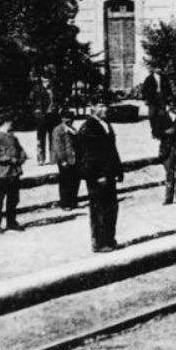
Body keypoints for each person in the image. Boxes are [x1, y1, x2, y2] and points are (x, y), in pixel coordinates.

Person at [77, 100, 124, 252]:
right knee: (99, 209)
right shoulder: (89, 127)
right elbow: (88, 155)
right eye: (101, 106)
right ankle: (99, 242)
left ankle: (109, 239)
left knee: (111, 207)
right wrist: (99, 175)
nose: (105, 109)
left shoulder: (106, 125)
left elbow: (112, 150)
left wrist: (118, 170)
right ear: (92, 108)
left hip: (109, 174)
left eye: (106, 106)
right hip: (97, 176)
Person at [0, 110, 28, 233]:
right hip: (1, 173)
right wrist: (10, 159)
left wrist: (21, 158)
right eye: (11, 123)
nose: (13, 125)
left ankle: (11, 222)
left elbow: (21, 150)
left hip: (13, 172)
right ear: (5, 122)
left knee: (13, 199)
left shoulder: (12, 137)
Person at [50, 109, 80, 210]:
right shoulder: (58, 130)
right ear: (62, 119)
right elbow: (57, 146)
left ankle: (73, 201)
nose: (69, 121)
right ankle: (65, 203)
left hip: (74, 158)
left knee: (75, 180)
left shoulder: (73, 129)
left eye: (71, 119)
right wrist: (62, 160)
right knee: (65, 181)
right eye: (66, 118)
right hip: (65, 160)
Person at [29, 75, 58, 165]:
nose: (47, 83)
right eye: (45, 81)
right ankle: (41, 158)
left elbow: (58, 100)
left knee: (53, 138)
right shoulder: (37, 90)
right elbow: (31, 101)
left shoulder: (54, 90)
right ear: (41, 80)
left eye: (48, 80)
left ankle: (53, 158)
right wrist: (36, 111)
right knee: (40, 139)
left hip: (52, 117)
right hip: (41, 117)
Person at [141, 66, 174, 140]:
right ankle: (154, 133)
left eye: (160, 68)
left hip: (162, 99)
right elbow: (144, 90)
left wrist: (170, 99)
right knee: (152, 116)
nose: (159, 69)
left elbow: (168, 89)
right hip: (152, 99)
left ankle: (160, 133)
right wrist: (145, 99)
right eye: (157, 68)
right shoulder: (149, 78)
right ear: (154, 69)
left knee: (161, 116)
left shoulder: (164, 78)